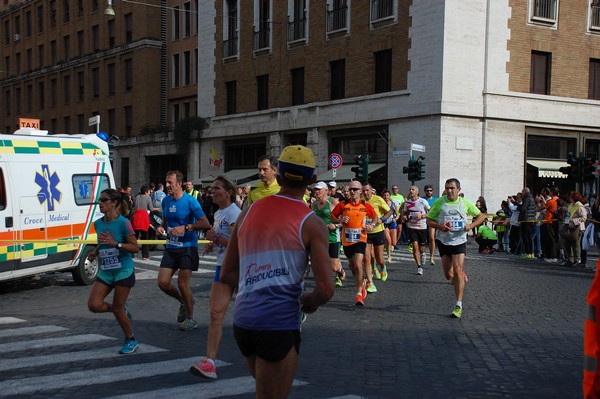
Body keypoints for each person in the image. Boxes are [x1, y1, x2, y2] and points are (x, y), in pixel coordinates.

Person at [219, 145, 334, 398]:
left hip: (244, 321)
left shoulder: (247, 212)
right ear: (312, 181)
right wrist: (308, 301)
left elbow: (227, 274)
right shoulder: (312, 223)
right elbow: (326, 290)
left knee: (265, 390)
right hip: (278, 322)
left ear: (279, 177)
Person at [190, 176, 241, 380]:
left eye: (216, 188)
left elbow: (238, 244)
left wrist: (216, 238)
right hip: (223, 267)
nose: (212, 192)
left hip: (238, 267)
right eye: (211, 189)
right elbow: (223, 240)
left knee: (252, 315)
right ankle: (210, 362)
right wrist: (215, 243)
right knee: (215, 314)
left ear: (228, 192)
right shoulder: (219, 212)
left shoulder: (234, 213)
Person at [156, 170, 211, 331]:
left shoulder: (190, 202)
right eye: (166, 182)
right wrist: (161, 227)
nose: (167, 185)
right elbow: (166, 220)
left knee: (182, 283)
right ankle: (184, 301)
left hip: (188, 246)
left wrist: (186, 227)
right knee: (163, 282)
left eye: (170, 182)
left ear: (179, 184)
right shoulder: (166, 201)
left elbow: (205, 223)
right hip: (171, 246)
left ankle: (190, 317)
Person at [87, 188, 140, 354]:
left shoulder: (124, 223)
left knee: (117, 309)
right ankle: (121, 309)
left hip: (123, 270)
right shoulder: (98, 223)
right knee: (94, 305)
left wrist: (115, 244)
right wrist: (96, 251)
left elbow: (135, 247)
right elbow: (103, 242)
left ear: (114, 203)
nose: (99, 203)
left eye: (103, 200)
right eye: (99, 200)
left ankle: (130, 339)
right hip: (106, 270)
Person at [426, 178, 486, 318]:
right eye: (447, 188)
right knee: (449, 275)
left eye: (452, 188)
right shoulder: (439, 202)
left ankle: (458, 304)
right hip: (444, 241)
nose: (449, 191)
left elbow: (481, 216)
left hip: (459, 240)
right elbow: (429, 220)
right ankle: (457, 275)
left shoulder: (464, 203)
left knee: (458, 270)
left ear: (459, 190)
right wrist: (440, 226)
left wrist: (470, 226)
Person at [331, 180, 378, 306]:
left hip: (361, 238)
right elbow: (332, 217)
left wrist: (372, 225)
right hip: (347, 241)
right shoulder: (342, 205)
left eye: (355, 189)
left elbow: (375, 217)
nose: (352, 191)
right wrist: (340, 219)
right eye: (350, 189)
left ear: (360, 191)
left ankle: (358, 295)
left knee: (358, 264)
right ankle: (361, 282)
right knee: (353, 267)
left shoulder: (365, 206)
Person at [312, 181, 345, 287]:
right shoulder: (314, 204)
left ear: (326, 190)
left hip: (333, 237)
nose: (316, 191)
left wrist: (335, 226)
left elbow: (344, 221)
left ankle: (340, 270)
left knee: (334, 267)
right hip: (320, 237)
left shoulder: (333, 202)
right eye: (315, 189)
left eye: (319, 189)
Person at [362, 183, 393, 290]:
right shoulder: (361, 201)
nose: (365, 193)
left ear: (371, 190)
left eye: (367, 190)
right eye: (363, 191)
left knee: (379, 257)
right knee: (367, 258)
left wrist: (382, 220)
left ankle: (383, 266)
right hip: (365, 233)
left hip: (378, 231)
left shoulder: (378, 199)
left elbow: (389, 211)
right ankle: (370, 283)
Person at [401, 185, 430, 275]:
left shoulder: (422, 201)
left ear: (417, 192)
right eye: (410, 189)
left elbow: (431, 212)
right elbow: (404, 212)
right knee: (414, 246)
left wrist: (421, 216)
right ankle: (419, 267)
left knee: (421, 248)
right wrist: (404, 216)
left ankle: (423, 254)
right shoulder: (407, 203)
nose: (411, 191)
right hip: (412, 227)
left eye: (413, 189)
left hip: (422, 227)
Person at [131, 185, 159, 260]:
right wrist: (157, 209)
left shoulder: (136, 197)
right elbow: (151, 208)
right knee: (145, 237)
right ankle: (145, 255)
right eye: (149, 192)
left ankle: (131, 254)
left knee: (134, 237)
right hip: (143, 217)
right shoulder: (148, 198)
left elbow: (133, 206)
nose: (150, 193)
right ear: (146, 192)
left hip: (136, 217)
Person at [381, 189, 399, 262]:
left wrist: (396, 219)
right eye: (384, 195)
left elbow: (398, 214)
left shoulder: (393, 204)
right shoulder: (381, 204)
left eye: (387, 195)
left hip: (392, 223)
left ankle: (387, 245)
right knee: (388, 239)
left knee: (393, 243)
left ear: (389, 196)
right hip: (385, 224)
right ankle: (389, 256)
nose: (386, 197)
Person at [519, 187, 536, 259]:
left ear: (525, 192)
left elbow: (523, 208)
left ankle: (528, 252)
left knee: (526, 236)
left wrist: (519, 206)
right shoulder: (532, 198)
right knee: (529, 236)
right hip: (530, 219)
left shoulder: (526, 199)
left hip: (526, 219)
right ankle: (530, 253)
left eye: (522, 192)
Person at [423, 184, 438, 265]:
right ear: (425, 191)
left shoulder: (436, 199)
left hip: (432, 220)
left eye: (430, 190)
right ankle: (423, 254)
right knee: (423, 240)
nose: (429, 192)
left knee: (432, 238)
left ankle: (432, 257)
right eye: (427, 190)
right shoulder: (422, 199)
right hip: (423, 221)